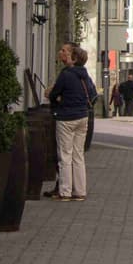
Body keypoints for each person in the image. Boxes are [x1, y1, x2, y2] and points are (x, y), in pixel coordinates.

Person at [46, 43, 97, 201]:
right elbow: (93, 94)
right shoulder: (85, 75)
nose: (63, 54)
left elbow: (54, 94)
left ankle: (65, 191)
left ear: (73, 59)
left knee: (65, 155)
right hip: (82, 117)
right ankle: (80, 191)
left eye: (66, 53)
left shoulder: (66, 74)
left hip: (66, 118)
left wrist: (57, 98)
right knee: (78, 155)